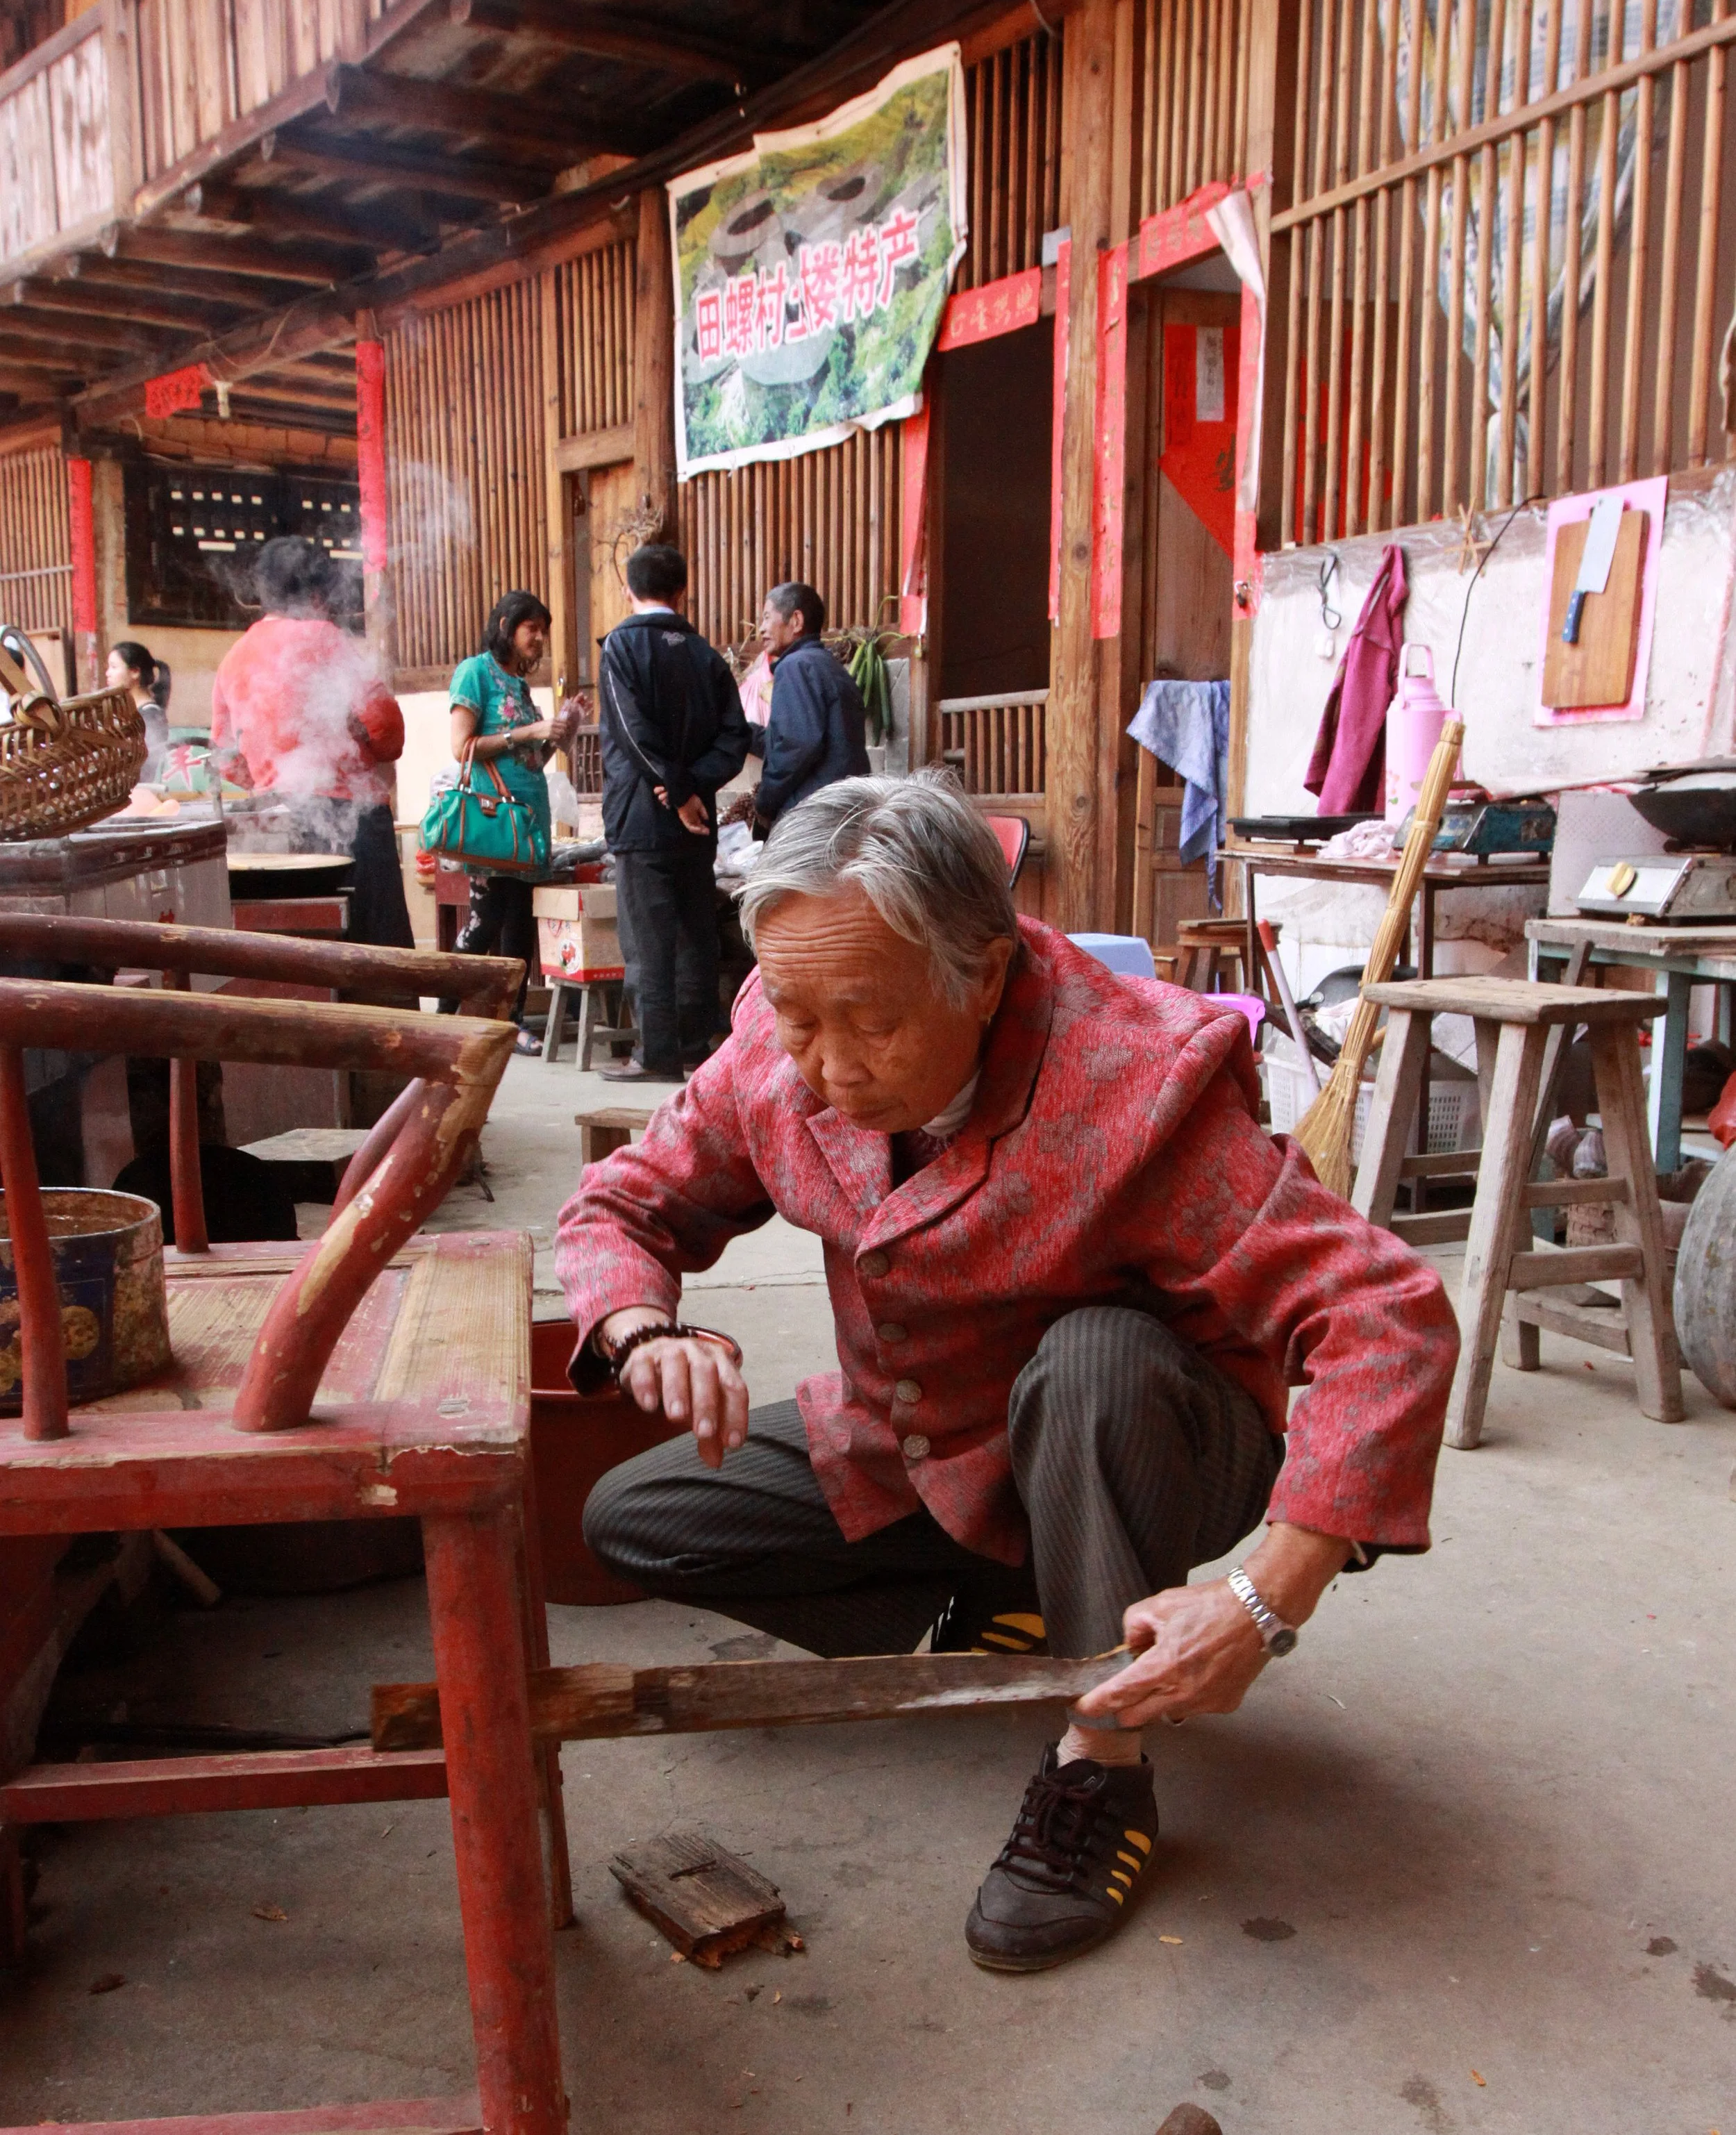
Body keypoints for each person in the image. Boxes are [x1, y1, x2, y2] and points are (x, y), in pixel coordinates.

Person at [556, 771, 1459, 1976]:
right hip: (925, 1437)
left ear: (981, 976)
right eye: (793, 1011)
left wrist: (1263, 1596)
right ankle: (1001, 1602)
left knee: (1095, 1362)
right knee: (637, 1519)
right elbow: (626, 1199)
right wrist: (640, 1325)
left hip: (1148, 1435)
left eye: (868, 1019)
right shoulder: (784, 1039)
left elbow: (1386, 1313)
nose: (823, 1062)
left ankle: (1105, 1764)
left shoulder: (1134, 1080)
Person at [210, 536, 413, 949]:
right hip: (351, 819)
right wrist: (366, 745)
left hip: (277, 822)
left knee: (301, 950)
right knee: (376, 954)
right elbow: (387, 730)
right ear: (319, 594)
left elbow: (226, 757)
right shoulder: (326, 638)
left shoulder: (234, 656)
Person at [596, 542, 749, 1084]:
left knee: (647, 940)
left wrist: (673, 786)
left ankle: (655, 1053)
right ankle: (694, 1048)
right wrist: (694, 787)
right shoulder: (706, 655)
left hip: (642, 816)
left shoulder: (619, 647)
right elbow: (736, 737)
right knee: (694, 933)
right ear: (683, 591)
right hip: (698, 819)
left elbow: (629, 732)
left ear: (628, 591)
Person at [446, 590, 558, 1056]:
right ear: (507, 626)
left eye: (543, 632)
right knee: (486, 920)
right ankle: (445, 1015)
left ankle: (512, 1023)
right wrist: (529, 731)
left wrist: (555, 736)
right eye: (532, 629)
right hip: (493, 820)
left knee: (519, 924)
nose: (539, 640)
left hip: (527, 818)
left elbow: (531, 758)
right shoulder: (476, 673)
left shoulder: (519, 685)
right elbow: (462, 747)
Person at [744, 582, 869, 829]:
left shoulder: (796, 666)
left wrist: (766, 803)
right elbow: (799, 737)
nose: (761, 629)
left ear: (797, 621)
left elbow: (797, 745)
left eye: (767, 618)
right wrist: (743, 732)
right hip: (845, 808)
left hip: (816, 815)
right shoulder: (829, 667)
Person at [107, 641, 171, 780]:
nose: (108, 673)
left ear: (135, 672)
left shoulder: (151, 716)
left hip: (140, 791)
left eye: (114, 667)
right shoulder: (132, 713)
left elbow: (144, 764)